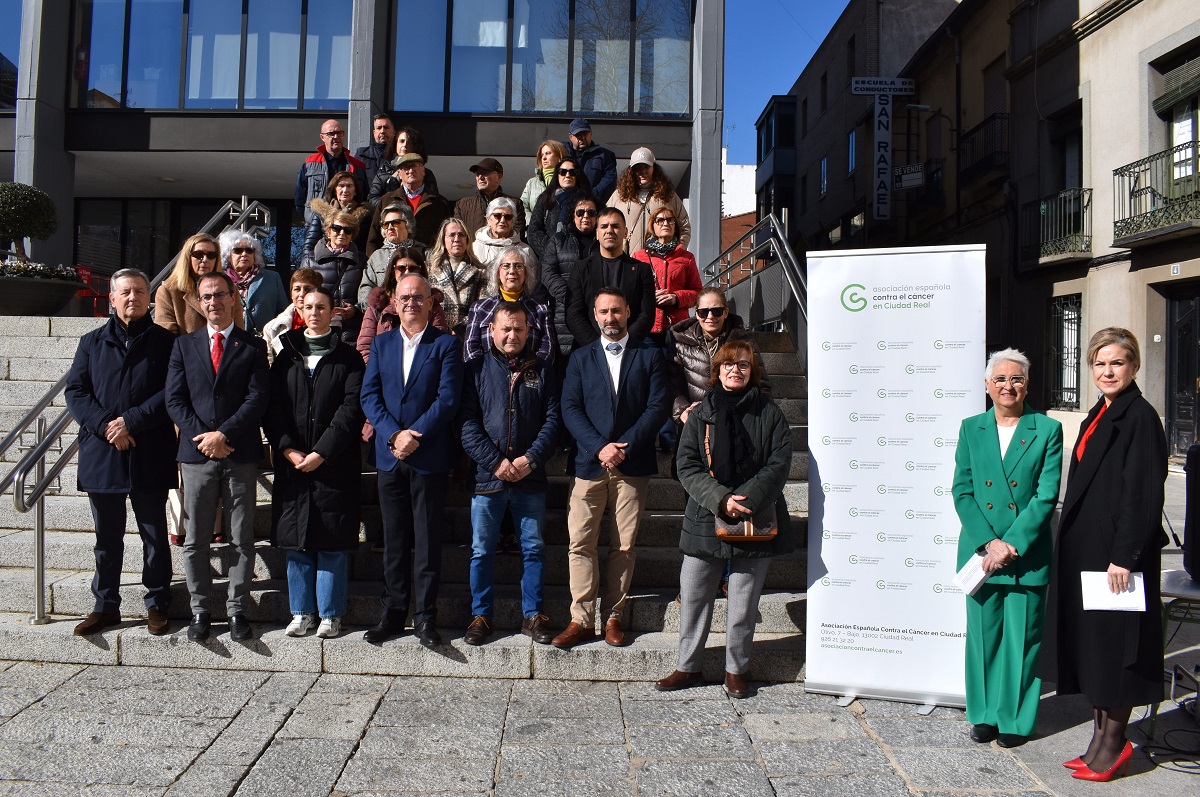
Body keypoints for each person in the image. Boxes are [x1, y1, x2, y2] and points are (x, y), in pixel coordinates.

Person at [1043, 328, 1168, 782]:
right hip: (1088, 553)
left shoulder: (1140, 417)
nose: (1107, 371)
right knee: (1096, 648)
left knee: (1118, 650)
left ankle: (1115, 745)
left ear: (1134, 366)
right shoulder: (1102, 409)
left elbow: (1144, 494)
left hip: (1115, 559)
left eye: (1117, 363)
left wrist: (1125, 557)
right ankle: (1098, 740)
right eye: (1099, 363)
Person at [654, 341, 794, 698]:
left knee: (743, 602)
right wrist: (720, 498)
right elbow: (687, 465)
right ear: (717, 371)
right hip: (705, 514)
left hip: (753, 515)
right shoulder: (701, 413)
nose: (736, 370)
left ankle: (736, 669)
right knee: (695, 594)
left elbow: (778, 463)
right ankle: (687, 666)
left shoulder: (770, 413)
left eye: (744, 365)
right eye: (729, 365)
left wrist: (745, 499)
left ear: (753, 371)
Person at [951, 349, 1063, 749]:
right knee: (983, 638)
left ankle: (1013, 718)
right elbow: (962, 491)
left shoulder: (1047, 429)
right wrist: (990, 543)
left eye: (1016, 379)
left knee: (1023, 639)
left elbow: (1046, 494)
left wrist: (1011, 543)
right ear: (986, 386)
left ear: (1027, 384)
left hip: (1025, 554)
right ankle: (982, 715)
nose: (1007, 385)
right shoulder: (970, 428)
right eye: (999, 379)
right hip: (983, 554)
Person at [65, 269, 178, 637]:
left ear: (149, 298)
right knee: (107, 537)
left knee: (154, 533)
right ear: (111, 298)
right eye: (125, 292)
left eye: (140, 291)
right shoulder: (91, 342)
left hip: (149, 450)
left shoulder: (166, 342)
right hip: (104, 452)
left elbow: (171, 393)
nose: (133, 298)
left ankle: (158, 602)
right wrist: (108, 427)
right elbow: (76, 392)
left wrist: (131, 421)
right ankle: (105, 605)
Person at [553, 288, 668, 649]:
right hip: (589, 462)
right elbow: (569, 407)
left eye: (616, 311)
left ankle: (613, 617)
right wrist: (599, 446)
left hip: (632, 465)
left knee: (624, 545)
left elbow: (658, 406)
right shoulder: (580, 357)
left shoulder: (650, 354)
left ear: (628, 312)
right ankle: (581, 619)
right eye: (603, 311)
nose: (610, 318)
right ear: (594, 314)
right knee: (580, 542)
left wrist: (624, 447)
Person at [360, 274, 464, 647]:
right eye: (404, 297)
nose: (410, 303)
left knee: (427, 540)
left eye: (418, 297)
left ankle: (424, 617)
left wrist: (413, 435)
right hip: (390, 456)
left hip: (428, 456)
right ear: (394, 301)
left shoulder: (446, 345)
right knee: (394, 540)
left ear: (431, 301)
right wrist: (393, 435)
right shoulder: (383, 343)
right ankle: (392, 613)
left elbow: (448, 399)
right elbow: (369, 396)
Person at [165, 271, 269, 643]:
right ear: (200, 301)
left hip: (239, 453)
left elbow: (257, 399)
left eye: (219, 295)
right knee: (196, 540)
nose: (213, 302)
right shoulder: (184, 346)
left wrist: (224, 435)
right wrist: (205, 439)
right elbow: (174, 399)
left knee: (241, 538)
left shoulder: (252, 346)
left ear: (233, 298)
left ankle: (237, 610)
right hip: (197, 457)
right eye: (206, 296)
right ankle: (200, 610)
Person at [457, 301, 561, 646]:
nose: (512, 334)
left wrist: (530, 460)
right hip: (487, 479)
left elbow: (553, 422)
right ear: (492, 331)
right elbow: (467, 424)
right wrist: (497, 463)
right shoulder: (475, 369)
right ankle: (480, 615)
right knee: (481, 550)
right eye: (506, 328)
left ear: (529, 331)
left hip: (530, 477)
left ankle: (533, 616)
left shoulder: (543, 369)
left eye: (518, 328)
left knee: (532, 548)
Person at [265, 286, 365, 640]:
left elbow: (351, 409)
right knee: (296, 541)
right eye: (308, 307)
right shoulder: (286, 354)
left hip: (333, 464)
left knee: (332, 541)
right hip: (293, 464)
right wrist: (289, 449)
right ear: (299, 310)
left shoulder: (349, 358)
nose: (314, 312)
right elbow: (273, 408)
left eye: (321, 307)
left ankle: (331, 614)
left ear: (332, 311)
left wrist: (322, 452)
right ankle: (301, 612)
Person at [667, 288, 770, 425]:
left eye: (716, 311)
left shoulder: (744, 341)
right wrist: (683, 410)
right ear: (696, 313)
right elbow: (673, 385)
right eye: (703, 312)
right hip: (696, 420)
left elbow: (760, 383)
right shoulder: (680, 341)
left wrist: (761, 417)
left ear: (726, 312)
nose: (710, 317)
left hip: (737, 419)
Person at [565, 208, 655, 347]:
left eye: (615, 226)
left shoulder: (641, 270)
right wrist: (599, 347)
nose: (609, 230)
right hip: (590, 350)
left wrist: (624, 344)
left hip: (630, 349)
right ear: (597, 233)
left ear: (625, 232)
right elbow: (573, 314)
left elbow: (646, 314)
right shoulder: (581, 269)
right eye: (604, 226)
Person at [462, 246, 556, 364]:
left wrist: (530, 372)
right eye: (506, 266)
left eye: (518, 266)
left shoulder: (540, 310)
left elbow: (547, 350)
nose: (512, 271)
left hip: (529, 377)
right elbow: (471, 349)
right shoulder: (480, 308)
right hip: (487, 378)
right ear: (497, 273)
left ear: (526, 273)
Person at [358, 247, 449, 362]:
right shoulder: (378, 304)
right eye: (401, 268)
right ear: (393, 271)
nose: (407, 272)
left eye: (413, 268)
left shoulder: (431, 304)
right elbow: (364, 348)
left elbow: (440, 344)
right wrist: (379, 372)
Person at [631, 205, 701, 345]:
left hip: (677, 329)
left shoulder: (687, 258)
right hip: (647, 328)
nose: (665, 223)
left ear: (675, 226)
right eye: (660, 220)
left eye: (670, 220)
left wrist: (676, 297)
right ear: (653, 226)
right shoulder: (639, 257)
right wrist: (648, 297)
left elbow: (698, 293)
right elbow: (630, 292)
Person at [540, 195, 599, 359]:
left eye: (591, 212)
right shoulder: (558, 240)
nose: (585, 216)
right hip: (563, 313)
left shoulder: (603, 244)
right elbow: (547, 272)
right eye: (580, 212)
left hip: (596, 314)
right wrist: (571, 296)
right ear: (573, 216)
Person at [299, 209, 367, 345]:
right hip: (319, 328)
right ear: (328, 231)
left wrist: (356, 310)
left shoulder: (362, 260)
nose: (342, 233)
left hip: (352, 331)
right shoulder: (310, 260)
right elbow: (302, 294)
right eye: (336, 228)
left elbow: (368, 291)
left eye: (348, 230)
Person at [154, 233, 244, 335]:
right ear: (188, 257)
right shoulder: (168, 292)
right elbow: (166, 337)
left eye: (211, 255)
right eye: (198, 255)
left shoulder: (230, 288)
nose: (205, 260)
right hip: (185, 350)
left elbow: (239, 332)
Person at [366, 153, 454, 254]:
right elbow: (374, 236)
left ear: (423, 171)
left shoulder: (439, 202)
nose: (411, 171)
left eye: (415, 166)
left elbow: (447, 235)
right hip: (393, 261)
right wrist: (372, 262)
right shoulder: (387, 200)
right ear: (399, 173)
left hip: (429, 261)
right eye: (406, 167)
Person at [613, 147, 691, 255]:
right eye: (637, 168)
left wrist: (677, 252)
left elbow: (684, 226)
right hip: (628, 262)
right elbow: (605, 223)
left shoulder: (668, 195)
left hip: (660, 261)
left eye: (646, 167)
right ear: (631, 171)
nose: (642, 171)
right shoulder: (619, 196)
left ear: (654, 168)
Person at [294, 118, 367, 225]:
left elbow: (364, 197)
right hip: (316, 225)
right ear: (322, 137)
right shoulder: (309, 164)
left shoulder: (357, 166)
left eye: (339, 133)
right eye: (331, 134)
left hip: (347, 227)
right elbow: (300, 200)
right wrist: (310, 218)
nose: (336, 137)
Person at [219, 229, 288, 337]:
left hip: (262, 342)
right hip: (229, 340)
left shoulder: (272, 278)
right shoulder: (220, 280)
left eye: (249, 250)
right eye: (238, 250)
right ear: (228, 255)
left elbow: (284, 313)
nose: (244, 254)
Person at [426, 218, 487, 333]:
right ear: (443, 240)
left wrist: (458, 329)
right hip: (435, 332)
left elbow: (481, 307)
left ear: (467, 239)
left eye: (461, 235)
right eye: (451, 235)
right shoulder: (430, 268)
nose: (457, 239)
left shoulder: (480, 270)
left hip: (466, 334)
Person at [358, 203, 425, 308]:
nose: (390, 227)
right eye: (386, 224)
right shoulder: (376, 257)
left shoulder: (423, 252)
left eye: (395, 223)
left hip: (416, 311)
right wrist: (374, 311)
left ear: (408, 225)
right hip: (384, 316)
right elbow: (366, 287)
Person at [527, 157, 594, 258]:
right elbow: (533, 231)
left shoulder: (587, 200)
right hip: (550, 260)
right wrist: (551, 252)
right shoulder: (546, 198)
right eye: (562, 172)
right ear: (557, 175)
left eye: (572, 172)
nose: (567, 175)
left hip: (580, 259)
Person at [263, 267, 326, 362]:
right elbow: (268, 362)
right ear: (291, 294)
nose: (302, 294)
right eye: (297, 289)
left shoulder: (331, 323)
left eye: (308, 289)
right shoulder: (272, 328)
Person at [454, 157, 526, 241]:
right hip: (473, 253)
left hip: (504, 252)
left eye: (485, 173)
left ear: (499, 177)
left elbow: (518, 234)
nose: (480, 177)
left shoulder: (515, 204)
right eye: (477, 173)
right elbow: (457, 234)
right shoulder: (462, 205)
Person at [304, 171, 372, 255]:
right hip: (324, 263)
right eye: (341, 186)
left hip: (354, 263)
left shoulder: (366, 215)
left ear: (355, 191)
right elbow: (310, 244)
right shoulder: (321, 213)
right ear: (334, 190)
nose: (345, 190)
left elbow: (369, 244)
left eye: (349, 186)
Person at [368, 125, 440, 203]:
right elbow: (372, 198)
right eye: (401, 141)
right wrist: (389, 207)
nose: (405, 145)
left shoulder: (425, 173)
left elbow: (433, 198)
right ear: (395, 144)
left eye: (409, 142)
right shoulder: (383, 171)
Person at [472, 197, 538, 275]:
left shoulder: (525, 250)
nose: (502, 220)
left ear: (513, 221)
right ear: (488, 219)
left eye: (508, 217)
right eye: (497, 216)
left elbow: (533, 281)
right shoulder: (474, 248)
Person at [566, 117, 617, 203]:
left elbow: (610, 179)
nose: (582, 138)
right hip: (568, 204)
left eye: (585, 134)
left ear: (591, 134)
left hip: (595, 205)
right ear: (570, 136)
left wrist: (591, 195)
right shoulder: (562, 153)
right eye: (578, 135)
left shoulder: (605, 155)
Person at [520, 140, 567, 227]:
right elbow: (522, 206)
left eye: (548, 153)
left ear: (559, 156)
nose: (544, 157)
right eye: (542, 155)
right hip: (533, 234)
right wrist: (532, 223)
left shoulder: (567, 180)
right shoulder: (532, 183)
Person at [354, 113, 395, 190]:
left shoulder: (398, 156)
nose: (382, 131)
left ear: (393, 132)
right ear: (374, 132)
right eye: (379, 128)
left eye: (386, 127)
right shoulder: (361, 155)